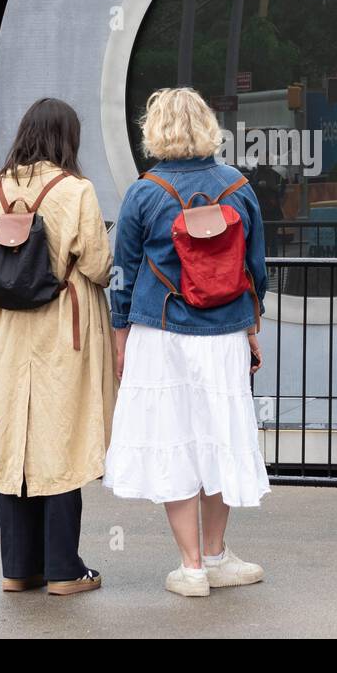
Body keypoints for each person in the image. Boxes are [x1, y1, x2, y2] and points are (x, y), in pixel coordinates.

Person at [104, 87, 270, 598]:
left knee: (173, 438)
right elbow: (255, 269)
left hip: (162, 329)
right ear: (206, 126)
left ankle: (191, 566)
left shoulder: (144, 191)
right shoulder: (238, 186)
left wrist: (120, 334)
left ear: (155, 129)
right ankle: (218, 555)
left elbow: (123, 274)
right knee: (218, 436)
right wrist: (250, 322)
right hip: (223, 334)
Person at [0, 98, 116, 596]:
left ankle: (18, 567)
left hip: (9, 330)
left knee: (13, 443)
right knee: (64, 438)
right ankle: (63, 568)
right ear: (66, 138)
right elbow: (97, 264)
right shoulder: (76, 190)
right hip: (63, 328)